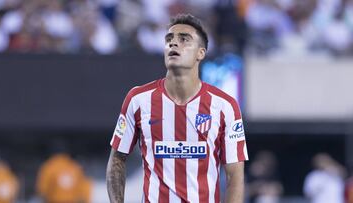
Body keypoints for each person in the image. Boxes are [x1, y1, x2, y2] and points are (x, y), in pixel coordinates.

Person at [106, 13, 249, 203]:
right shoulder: (138, 99)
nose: (173, 44)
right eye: (169, 39)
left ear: (201, 53)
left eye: (184, 39)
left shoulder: (225, 106)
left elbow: (235, 177)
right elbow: (117, 159)